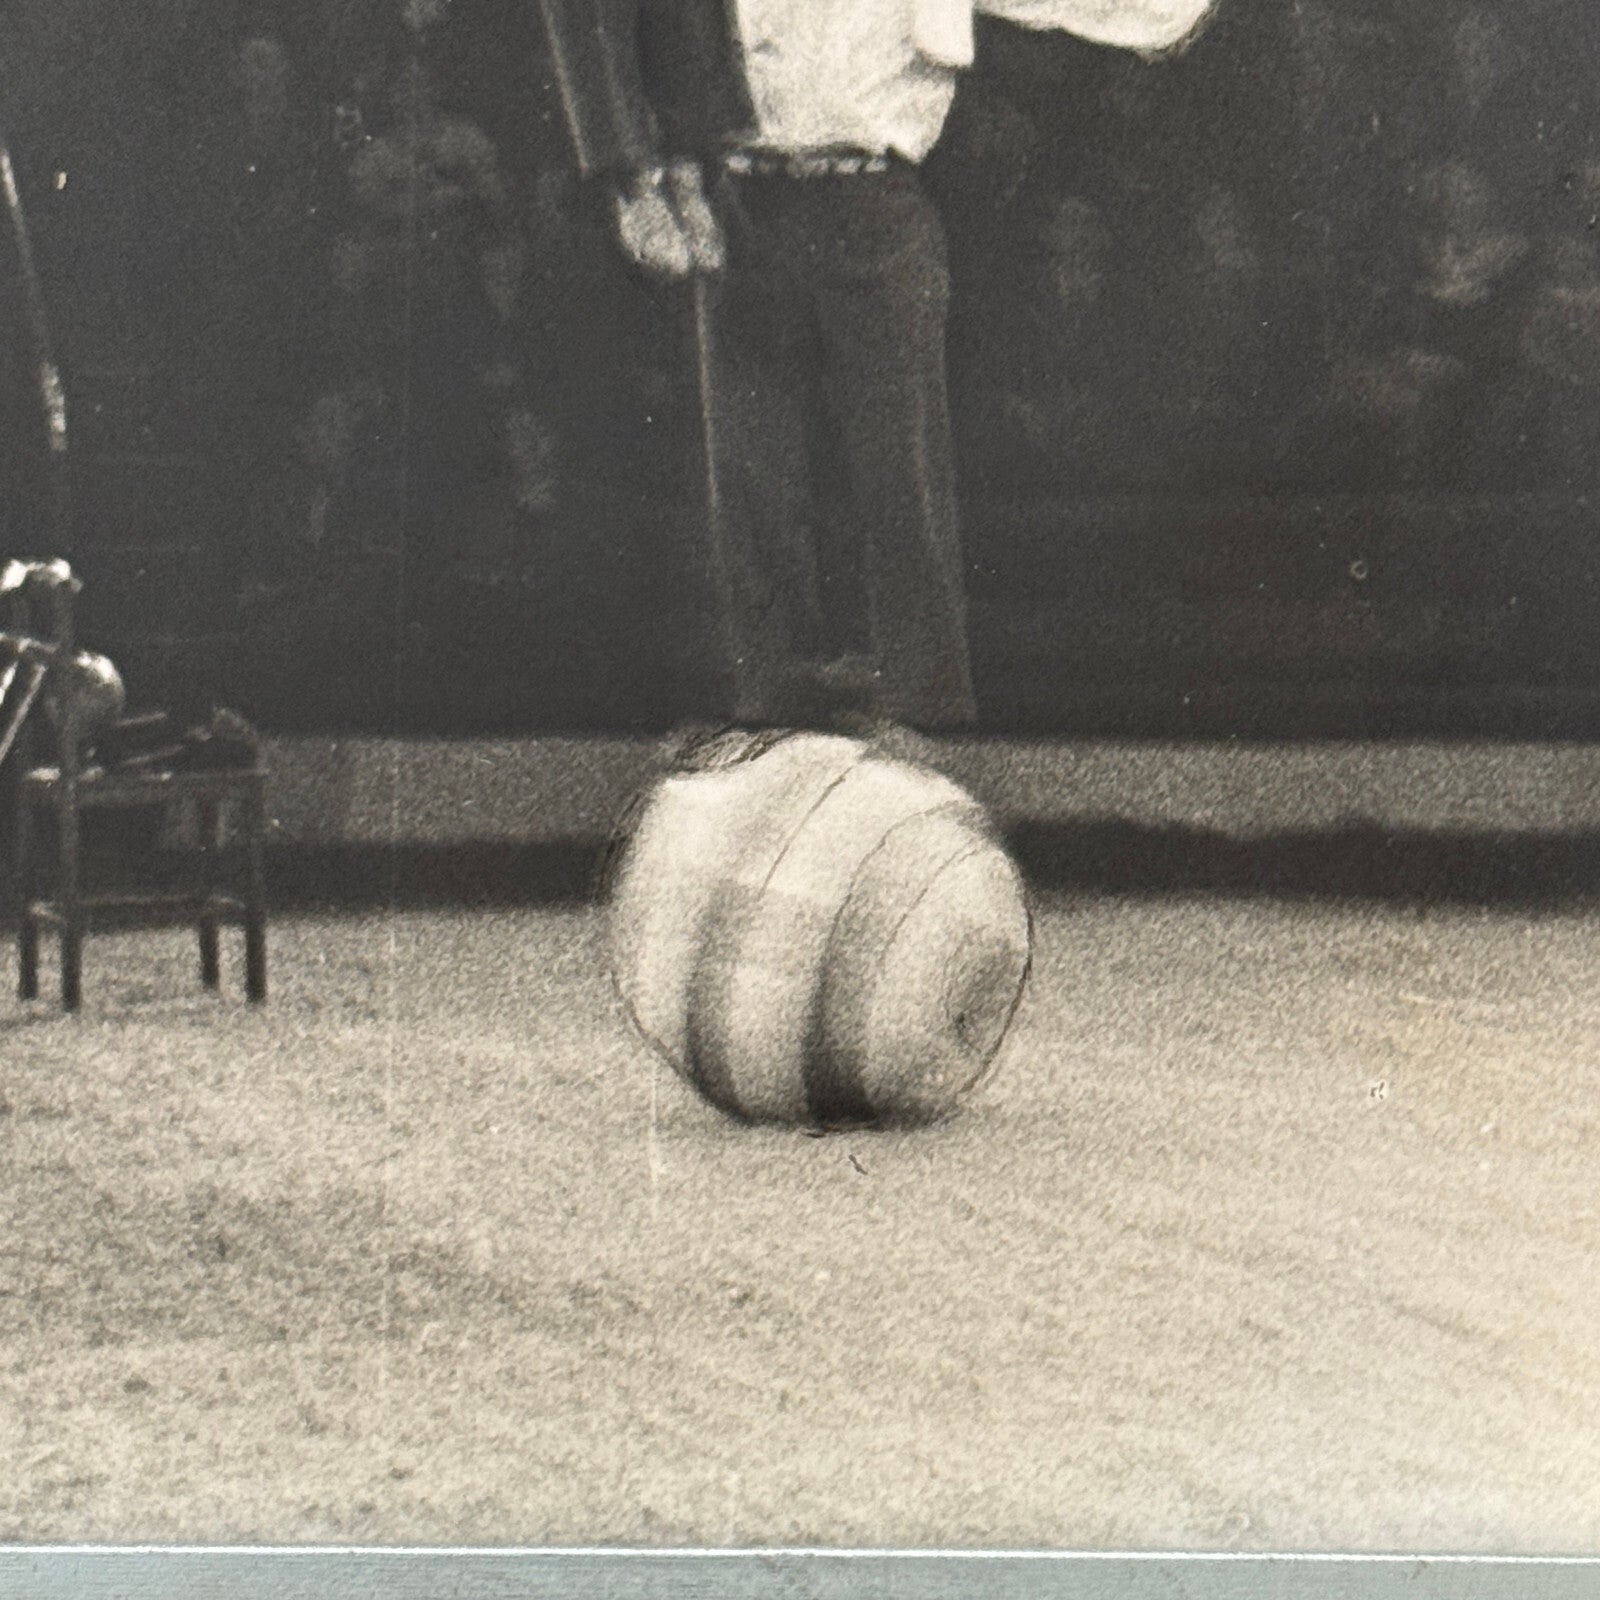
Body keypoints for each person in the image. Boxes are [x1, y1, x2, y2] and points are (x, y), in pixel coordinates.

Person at [537, 0, 1213, 735]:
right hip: (741, 199)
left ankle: (921, 709)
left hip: (876, 202)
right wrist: (637, 176)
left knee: (902, 468)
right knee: (754, 476)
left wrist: (1170, 14)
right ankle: (774, 709)